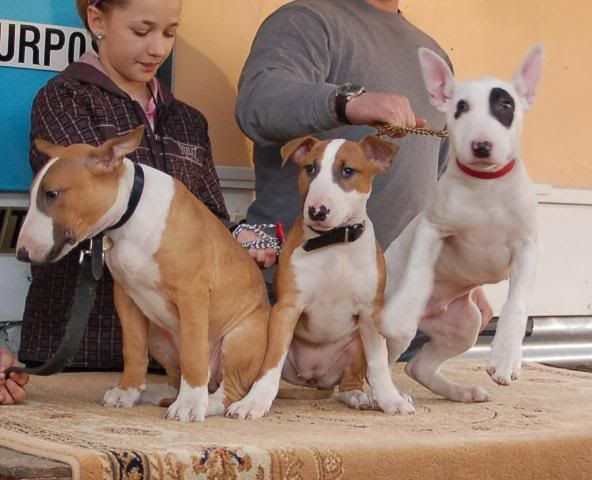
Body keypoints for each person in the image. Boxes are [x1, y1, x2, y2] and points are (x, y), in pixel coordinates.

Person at [18, 0, 269, 371]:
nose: (157, 48)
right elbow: (73, 210)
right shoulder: (64, 100)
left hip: (171, 361)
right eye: (142, 31)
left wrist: (244, 239)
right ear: (97, 19)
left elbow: (211, 219)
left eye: (169, 33)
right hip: (78, 347)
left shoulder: (188, 121)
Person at [236, 0, 493, 345]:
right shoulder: (306, 20)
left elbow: (434, 180)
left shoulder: (432, 54)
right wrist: (347, 103)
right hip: (295, 319)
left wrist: (454, 271)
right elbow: (257, 104)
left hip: (387, 318)